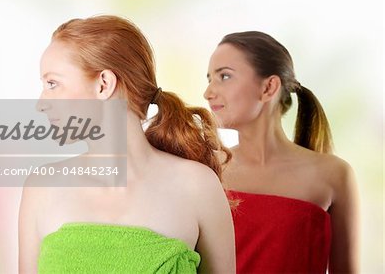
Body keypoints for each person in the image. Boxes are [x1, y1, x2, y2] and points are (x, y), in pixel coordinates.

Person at [19, 15, 235, 273]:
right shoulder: (41, 187)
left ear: (104, 84)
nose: (41, 103)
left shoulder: (198, 186)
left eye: (53, 83)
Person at [204, 31, 359, 273]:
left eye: (224, 76)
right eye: (209, 79)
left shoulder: (333, 175)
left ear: (269, 87)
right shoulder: (207, 170)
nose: (208, 92)